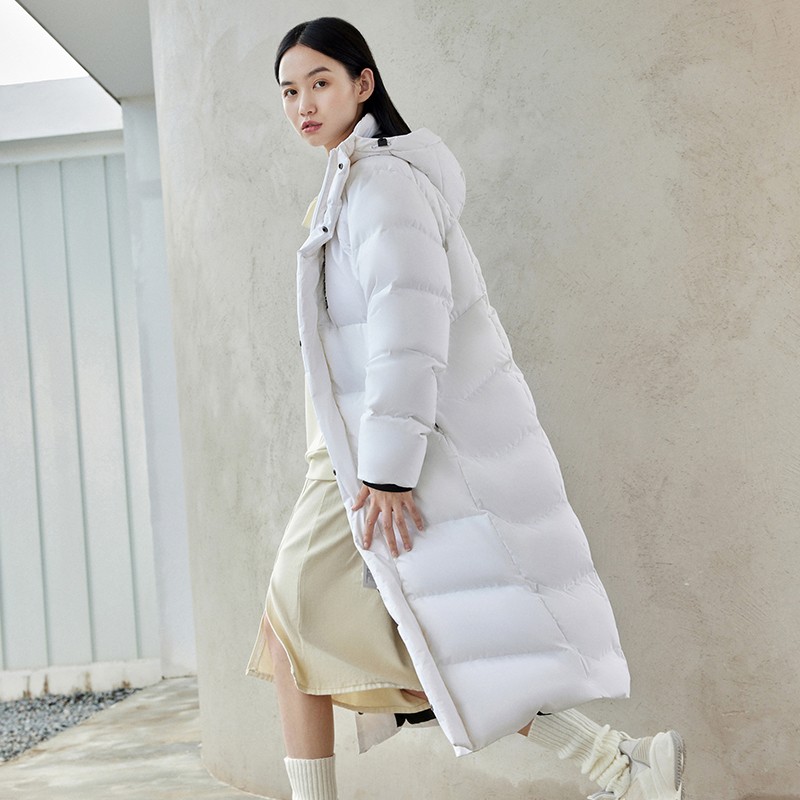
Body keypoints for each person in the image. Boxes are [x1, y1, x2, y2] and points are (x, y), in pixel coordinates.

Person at [246, 16, 685, 800]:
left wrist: (387, 472)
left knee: (301, 629)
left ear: (362, 85)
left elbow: (411, 328)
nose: (303, 104)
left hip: (366, 463)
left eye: (319, 83)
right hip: (347, 453)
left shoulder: (381, 185)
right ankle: (621, 764)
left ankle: (619, 763)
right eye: (288, 91)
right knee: (341, 640)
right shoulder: (348, 184)